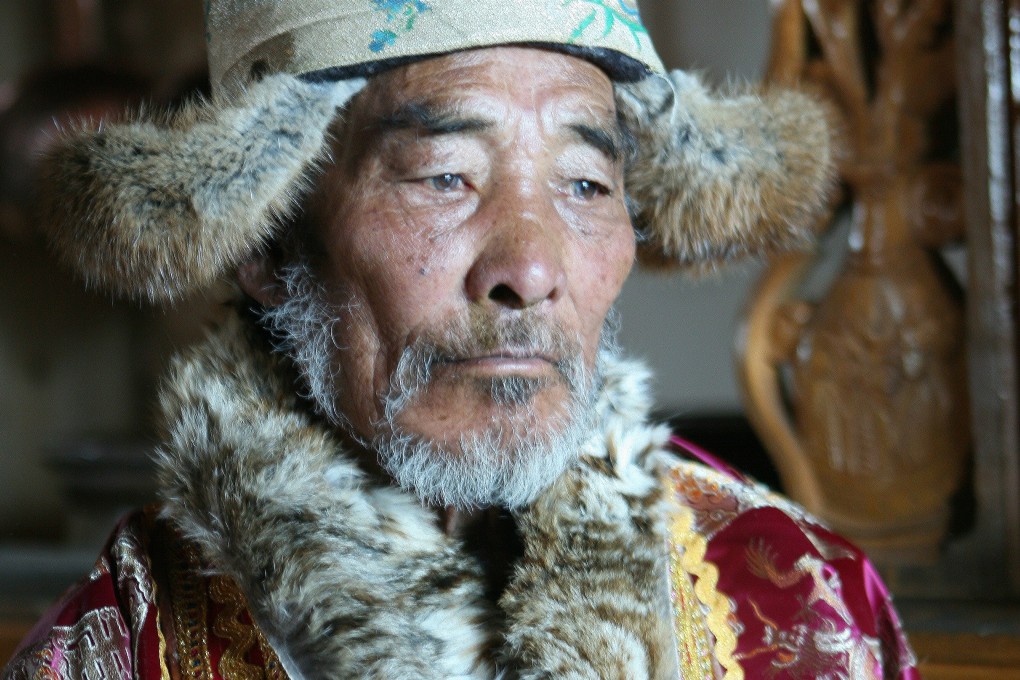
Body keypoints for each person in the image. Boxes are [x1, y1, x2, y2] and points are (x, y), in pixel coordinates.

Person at [3, 1, 918, 678]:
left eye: (586, 186)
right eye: (445, 176)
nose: (530, 266)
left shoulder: (804, 599)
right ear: (270, 244)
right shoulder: (127, 644)